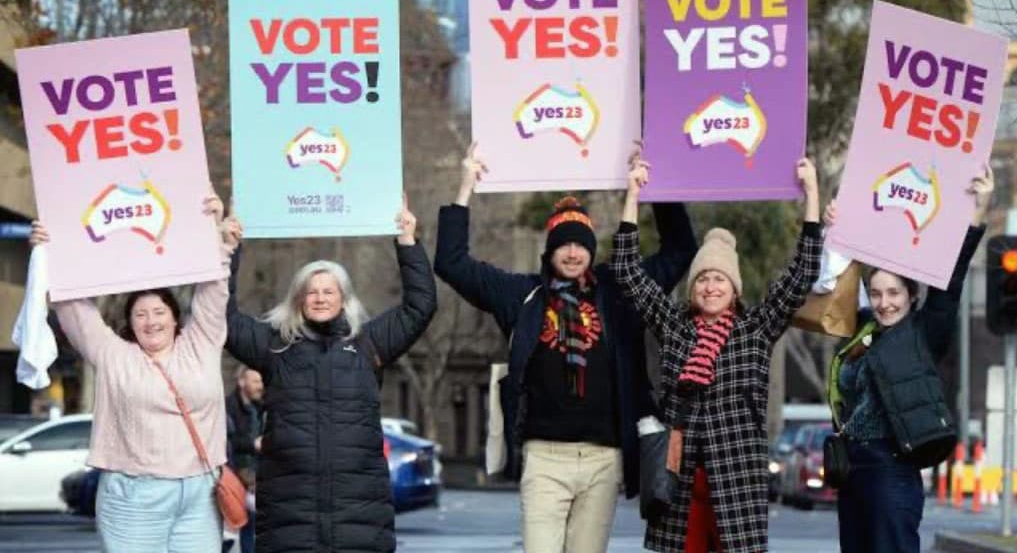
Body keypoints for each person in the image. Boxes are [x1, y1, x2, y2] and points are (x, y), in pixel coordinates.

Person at [433, 143, 697, 553]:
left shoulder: (621, 290)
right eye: (563, 244)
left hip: (604, 459)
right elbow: (451, 262)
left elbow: (680, 250)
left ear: (591, 250)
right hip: (543, 458)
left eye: (581, 244)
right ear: (550, 250)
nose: (572, 252)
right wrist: (465, 185)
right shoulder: (522, 295)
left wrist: (653, 184)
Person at [611, 158, 822, 553]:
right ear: (692, 288)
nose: (710, 287)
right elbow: (626, 271)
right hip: (679, 480)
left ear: (735, 287)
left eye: (719, 278)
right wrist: (633, 195)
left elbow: (802, 273)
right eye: (703, 279)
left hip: (737, 482)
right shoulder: (674, 326)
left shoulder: (756, 329)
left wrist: (811, 194)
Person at [224, 195, 437, 553]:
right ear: (297, 299)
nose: (320, 298)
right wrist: (229, 250)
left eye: (329, 291)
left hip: (359, 516)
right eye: (311, 292)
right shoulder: (274, 346)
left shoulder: (369, 342)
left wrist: (407, 241)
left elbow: (420, 307)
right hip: (289, 519)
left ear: (344, 298)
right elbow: (221, 318)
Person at [30, 191, 237, 552]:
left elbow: (214, 292)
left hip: (201, 495)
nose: (150, 321)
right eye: (140, 314)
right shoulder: (113, 354)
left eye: (159, 312)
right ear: (129, 324)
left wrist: (218, 242)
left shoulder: (201, 343)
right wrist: (51, 252)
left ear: (175, 317)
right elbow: (74, 307)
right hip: (134, 497)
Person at [825, 165, 993, 553]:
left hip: (891, 470)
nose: (885, 303)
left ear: (912, 295)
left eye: (894, 293)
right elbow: (827, 285)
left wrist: (978, 213)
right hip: (851, 471)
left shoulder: (923, 333)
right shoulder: (861, 329)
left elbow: (952, 282)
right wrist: (831, 232)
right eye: (878, 293)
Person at [225, 366, 264, 553]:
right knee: (230, 533)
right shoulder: (227, 407)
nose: (260, 386)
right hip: (234, 477)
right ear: (242, 382)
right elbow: (225, 443)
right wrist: (252, 444)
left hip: (254, 477)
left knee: (250, 528)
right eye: (256, 381)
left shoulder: (260, 408)